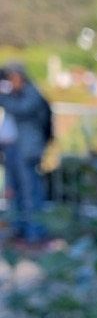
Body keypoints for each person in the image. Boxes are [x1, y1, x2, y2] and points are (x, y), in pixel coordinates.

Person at [0, 63, 52, 244]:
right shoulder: (14, 95)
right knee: (14, 192)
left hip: (26, 150)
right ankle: (19, 228)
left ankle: (34, 232)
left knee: (31, 192)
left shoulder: (31, 93)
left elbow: (22, 109)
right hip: (12, 149)